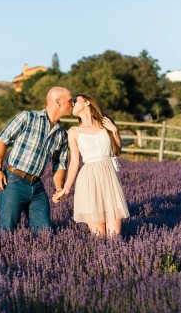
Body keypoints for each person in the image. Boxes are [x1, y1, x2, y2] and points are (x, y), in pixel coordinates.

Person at [0, 87, 74, 232]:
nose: (73, 104)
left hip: (36, 186)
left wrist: (59, 188)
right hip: (13, 181)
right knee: (6, 230)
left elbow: (60, 164)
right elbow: (2, 140)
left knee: (45, 233)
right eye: (70, 101)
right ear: (58, 102)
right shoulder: (27, 117)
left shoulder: (62, 134)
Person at [53, 93, 129, 236]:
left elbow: (117, 151)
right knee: (99, 236)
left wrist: (115, 131)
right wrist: (66, 188)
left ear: (87, 102)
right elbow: (74, 162)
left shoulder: (106, 125)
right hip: (89, 179)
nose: (72, 103)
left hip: (110, 179)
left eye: (75, 100)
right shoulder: (74, 131)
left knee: (115, 234)